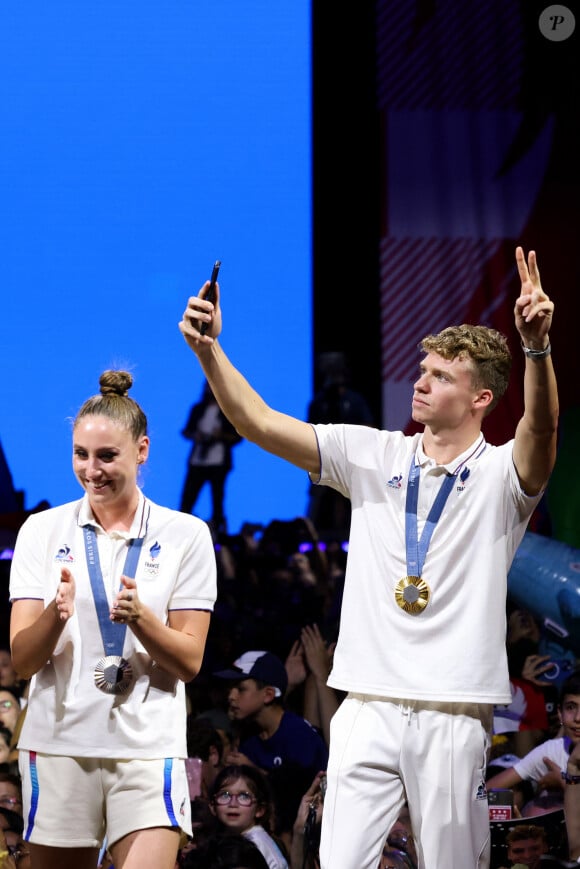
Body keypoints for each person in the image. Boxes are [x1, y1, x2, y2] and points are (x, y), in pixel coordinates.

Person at [179, 245, 559, 869]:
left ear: (482, 399)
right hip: (364, 704)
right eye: (422, 368)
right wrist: (209, 353)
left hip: (452, 708)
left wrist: (537, 350)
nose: (420, 380)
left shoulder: (500, 475)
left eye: (440, 375)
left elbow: (540, 432)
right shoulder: (374, 454)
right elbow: (259, 424)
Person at [8, 369, 217, 869]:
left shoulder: (186, 533)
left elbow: (189, 662)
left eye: (107, 456)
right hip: (58, 746)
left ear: (141, 451)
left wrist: (142, 619)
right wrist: (55, 619)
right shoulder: (41, 530)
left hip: (149, 749)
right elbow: (22, 660)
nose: (91, 469)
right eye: (81, 454)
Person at [487, 671, 580, 796]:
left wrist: (564, 782)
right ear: (560, 713)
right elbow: (484, 791)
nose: (578, 717)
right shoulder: (552, 751)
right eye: (570, 707)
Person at [179, 381, 242, 536]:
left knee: (217, 499)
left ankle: (219, 531)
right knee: (188, 497)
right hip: (198, 460)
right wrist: (196, 435)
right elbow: (186, 431)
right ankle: (181, 530)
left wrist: (220, 435)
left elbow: (238, 436)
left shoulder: (228, 411)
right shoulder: (198, 409)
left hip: (218, 461)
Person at [208, 763, 289, 869]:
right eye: (225, 795)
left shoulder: (258, 844)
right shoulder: (223, 839)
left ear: (260, 810)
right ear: (213, 806)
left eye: (244, 796)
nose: (233, 804)